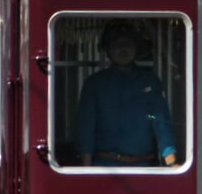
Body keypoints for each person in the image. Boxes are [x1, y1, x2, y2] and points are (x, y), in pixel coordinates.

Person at [77, 21, 179, 167]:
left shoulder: (150, 81)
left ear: (136, 47)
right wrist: (86, 171)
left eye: (128, 43)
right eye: (116, 44)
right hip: (104, 167)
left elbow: (161, 122)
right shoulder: (94, 84)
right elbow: (86, 127)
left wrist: (172, 163)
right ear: (106, 49)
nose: (123, 49)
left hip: (144, 167)